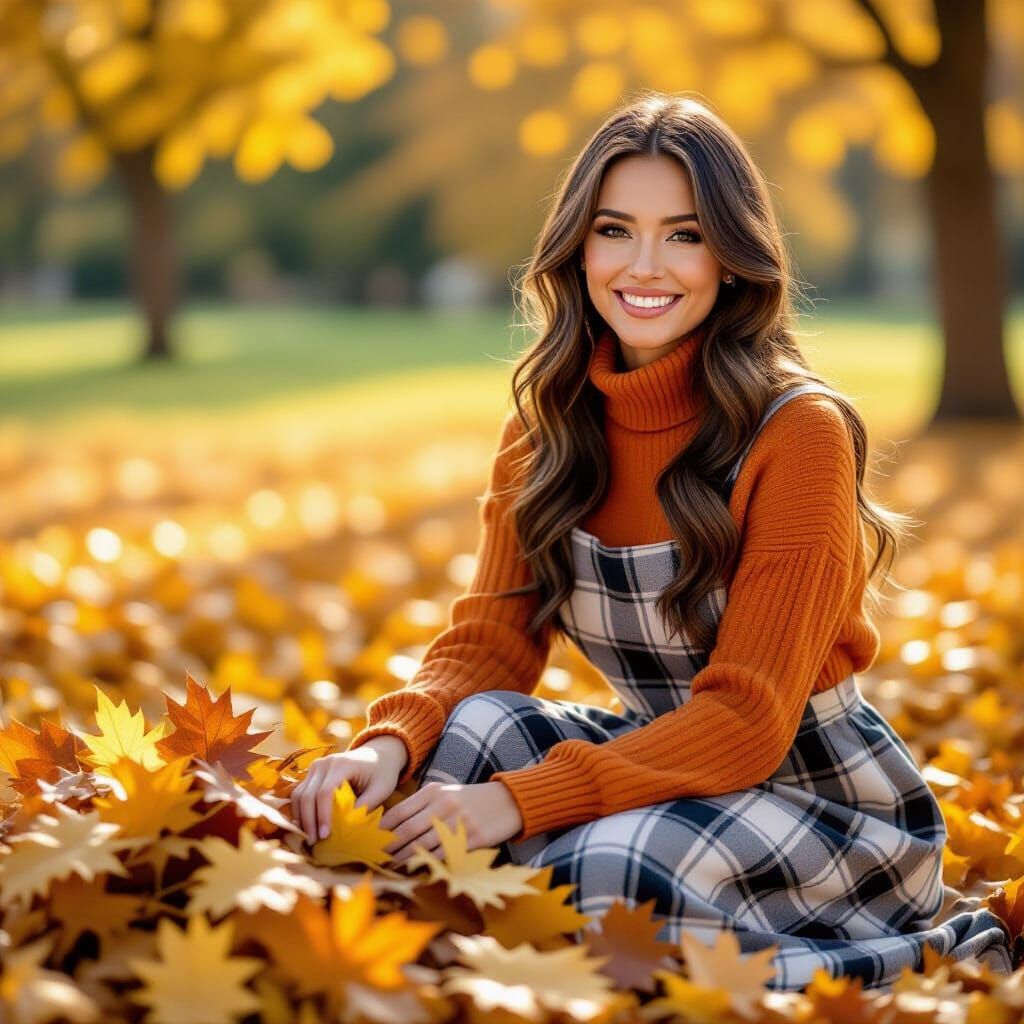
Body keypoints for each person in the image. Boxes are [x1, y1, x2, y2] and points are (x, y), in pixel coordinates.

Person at [290, 93, 1013, 991]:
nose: (643, 265)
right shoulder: (546, 430)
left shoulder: (799, 434)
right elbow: (491, 644)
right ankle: (457, 948)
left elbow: (747, 725)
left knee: (612, 871)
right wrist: (386, 746)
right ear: (577, 248)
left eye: (683, 234)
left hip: (823, 804)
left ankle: (931, 951)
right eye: (614, 230)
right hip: (663, 765)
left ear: (732, 257)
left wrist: (515, 803)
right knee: (465, 735)